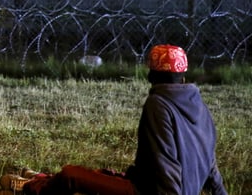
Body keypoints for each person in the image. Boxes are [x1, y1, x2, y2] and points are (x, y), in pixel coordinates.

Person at [20, 44, 227, 195]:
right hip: (160, 186)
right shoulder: (200, 107)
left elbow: (165, 163)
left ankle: (27, 187)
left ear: (151, 76)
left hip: (149, 191)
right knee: (101, 175)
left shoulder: (158, 104)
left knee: (71, 175)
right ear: (183, 76)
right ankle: (41, 179)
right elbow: (210, 164)